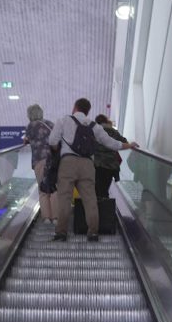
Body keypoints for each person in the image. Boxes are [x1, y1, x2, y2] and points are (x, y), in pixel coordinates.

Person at [47, 98, 138, 242]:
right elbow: (112, 143)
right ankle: (93, 233)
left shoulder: (64, 120)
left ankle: (61, 233)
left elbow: (52, 141)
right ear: (87, 111)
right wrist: (129, 145)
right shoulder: (94, 126)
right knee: (90, 199)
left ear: (75, 107)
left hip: (67, 163)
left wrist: (57, 149)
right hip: (88, 165)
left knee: (64, 198)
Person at [23, 104, 57, 224]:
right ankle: (56, 218)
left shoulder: (30, 127)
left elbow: (25, 140)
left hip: (39, 160)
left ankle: (46, 217)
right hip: (52, 160)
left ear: (29, 115)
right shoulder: (50, 124)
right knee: (54, 188)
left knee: (42, 189)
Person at [92, 114, 129, 198]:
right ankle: (105, 203)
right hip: (111, 166)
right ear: (106, 121)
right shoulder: (113, 131)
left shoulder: (95, 132)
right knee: (104, 190)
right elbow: (124, 142)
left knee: (97, 189)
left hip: (97, 165)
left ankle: (97, 204)